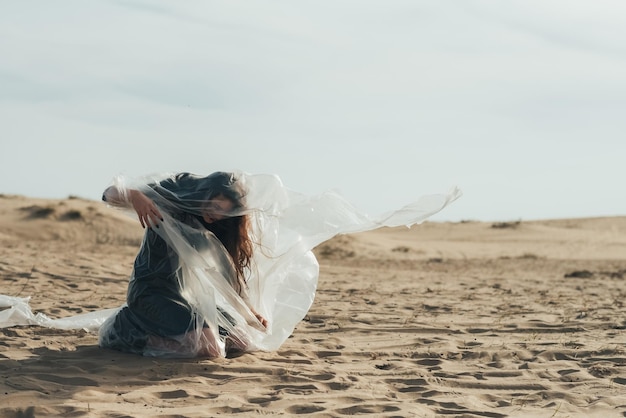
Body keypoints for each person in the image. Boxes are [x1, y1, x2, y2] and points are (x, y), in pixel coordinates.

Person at [99, 171, 268, 358]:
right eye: (216, 206)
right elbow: (108, 194)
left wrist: (250, 313)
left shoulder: (216, 228)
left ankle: (176, 332)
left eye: (224, 213)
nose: (215, 216)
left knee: (241, 341)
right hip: (150, 293)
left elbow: (229, 274)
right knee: (209, 349)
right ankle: (125, 329)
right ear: (206, 192)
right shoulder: (170, 199)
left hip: (185, 296)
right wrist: (135, 196)